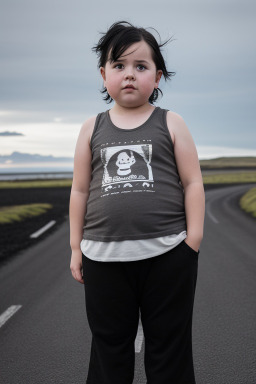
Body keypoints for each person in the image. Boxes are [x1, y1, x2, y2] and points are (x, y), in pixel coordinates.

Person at [69, 20, 205, 384]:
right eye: (119, 65)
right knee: (109, 350)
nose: (130, 75)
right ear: (103, 74)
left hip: (168, 255)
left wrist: (192, 242)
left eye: (141, 67)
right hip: (102, 258)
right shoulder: (91, 127)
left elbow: (192, 182)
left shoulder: (171, 122)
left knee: (168, 349)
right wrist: (75, 247)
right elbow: (80, 190)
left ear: (157, 78)